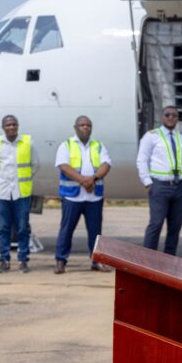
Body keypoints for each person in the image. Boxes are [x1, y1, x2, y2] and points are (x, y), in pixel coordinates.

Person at [53, 116, 112, 274]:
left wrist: (93, 179)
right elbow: (64, 166)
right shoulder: (66, 145)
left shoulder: (98, 146)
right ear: (75, 127)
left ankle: (97, 262)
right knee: (66, 230)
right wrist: (83, 181)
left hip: (94, 197)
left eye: (88, 125)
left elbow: (106, 164)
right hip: (73, 196)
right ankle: (61, 261)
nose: (85, 127)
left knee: (96, 232)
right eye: (82, 125)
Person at [0, 115, 39, 273]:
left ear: (18, 126)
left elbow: (35, 165)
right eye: (8, 125)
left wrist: (23, 180)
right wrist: (2, 180)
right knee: (3, 228)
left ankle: (23, 260)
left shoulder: (28, 142)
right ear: (3, 127)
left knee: (23, 228)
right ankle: (4, 260)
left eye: (14, 124)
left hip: (21, 192)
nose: (11, 127)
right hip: (2, 192)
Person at [137, 105, 182, 255]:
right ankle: (147, 259)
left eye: (174, 115)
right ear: (162, 117)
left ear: (177, 118)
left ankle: (169, 260)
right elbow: (142, 160)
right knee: (155, 224)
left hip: (180, 187)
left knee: (175, 227)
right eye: (167, 115)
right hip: (160, 186)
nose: (170, 117)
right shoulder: (151, 136)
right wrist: (148, 182)